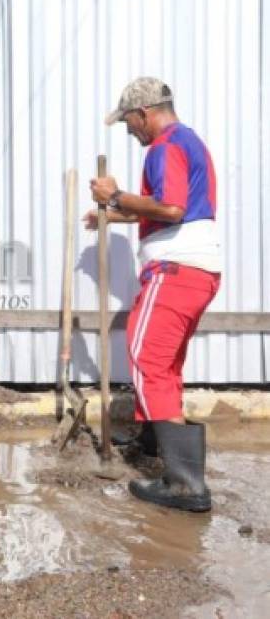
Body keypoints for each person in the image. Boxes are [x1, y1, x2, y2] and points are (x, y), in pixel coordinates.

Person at [88, 77, 220, 512]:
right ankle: (151, 440)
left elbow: (170, 208)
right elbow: (167, 214)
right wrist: (113, 213)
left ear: (144, 113)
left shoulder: (165, 147)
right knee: (166, 361)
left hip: (175, 270)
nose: (127, 130)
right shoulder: (188, 142)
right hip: (195, 267)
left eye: (127, 120)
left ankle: (185, 485)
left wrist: (116, 194)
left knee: (146, 357)